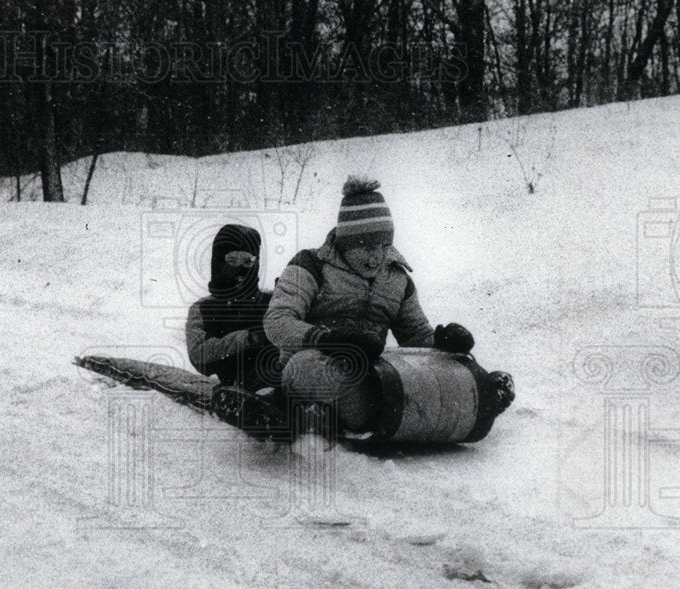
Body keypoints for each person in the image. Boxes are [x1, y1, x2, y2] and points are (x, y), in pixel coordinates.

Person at [261, 175, 511, 435]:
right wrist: (329, 339)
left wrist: (443, 343)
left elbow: (415, 340)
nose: (376, 257)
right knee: (305, 368)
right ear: (346, 244)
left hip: (372, 373)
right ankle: (299, 410)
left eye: (383, 246)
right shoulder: (311, 265)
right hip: (314, 362)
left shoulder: (397, 279)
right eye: (366, 247)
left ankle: (479, 394)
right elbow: (278, 321)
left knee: (437, 376)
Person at [186, 224, 276, 393]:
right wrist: (248, 339)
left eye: (248, 261)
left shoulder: (271, 300)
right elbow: (199, 356)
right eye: (232, 260)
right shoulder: (204, 309)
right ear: (218, 263)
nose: (241, 268)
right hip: (243, 383)